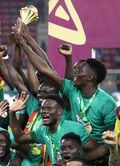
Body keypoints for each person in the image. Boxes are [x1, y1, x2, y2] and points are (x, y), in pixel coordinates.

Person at [14, 18, 116, 148]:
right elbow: (45, 68)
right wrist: (25, 40)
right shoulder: (72, 90)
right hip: (71, 151)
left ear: (90, 77)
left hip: (95, 156)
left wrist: (93, 158)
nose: (75, 73)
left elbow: (111, 140)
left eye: (79, 70)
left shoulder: (107, 103)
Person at [9, 93, 103, 166]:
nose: (44, 111)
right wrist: (12, 113)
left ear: (59, 111)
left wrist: (70, 162)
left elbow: (97, 152)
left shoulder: (74, 128)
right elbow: (20, 138)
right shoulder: (43, 131)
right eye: (42, 108)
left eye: (49, 108)